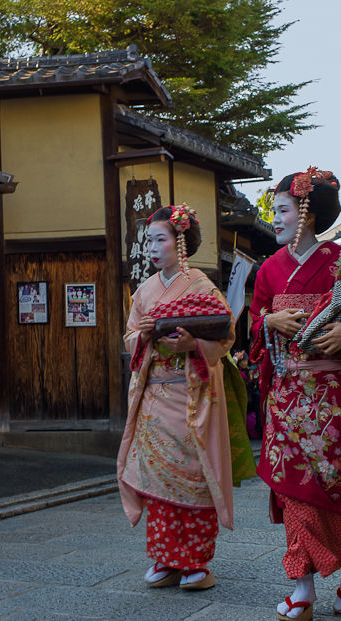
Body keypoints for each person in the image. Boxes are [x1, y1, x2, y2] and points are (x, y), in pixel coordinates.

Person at [249, 167, 341, 620]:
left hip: (331, 396)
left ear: (307, 215)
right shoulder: (269, 271)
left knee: (331, 489)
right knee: (293, 489)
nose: (274, 220)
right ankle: (303, 586)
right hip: (285, 393)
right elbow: (253, 328)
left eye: (281, 211)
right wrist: (267, 322)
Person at [117, 204, 235, 591]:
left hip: (191, 397)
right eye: (147, 240)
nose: (151, 248)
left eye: (160, 239)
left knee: (193, 478)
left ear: (180, 242)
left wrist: (192, 343)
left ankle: (197, 561)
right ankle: (165, 558)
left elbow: (225, 335)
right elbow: (130, 337)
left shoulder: (202, 286)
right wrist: (146, 336)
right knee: (158, 483)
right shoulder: (145, 291)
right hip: (154, 399)